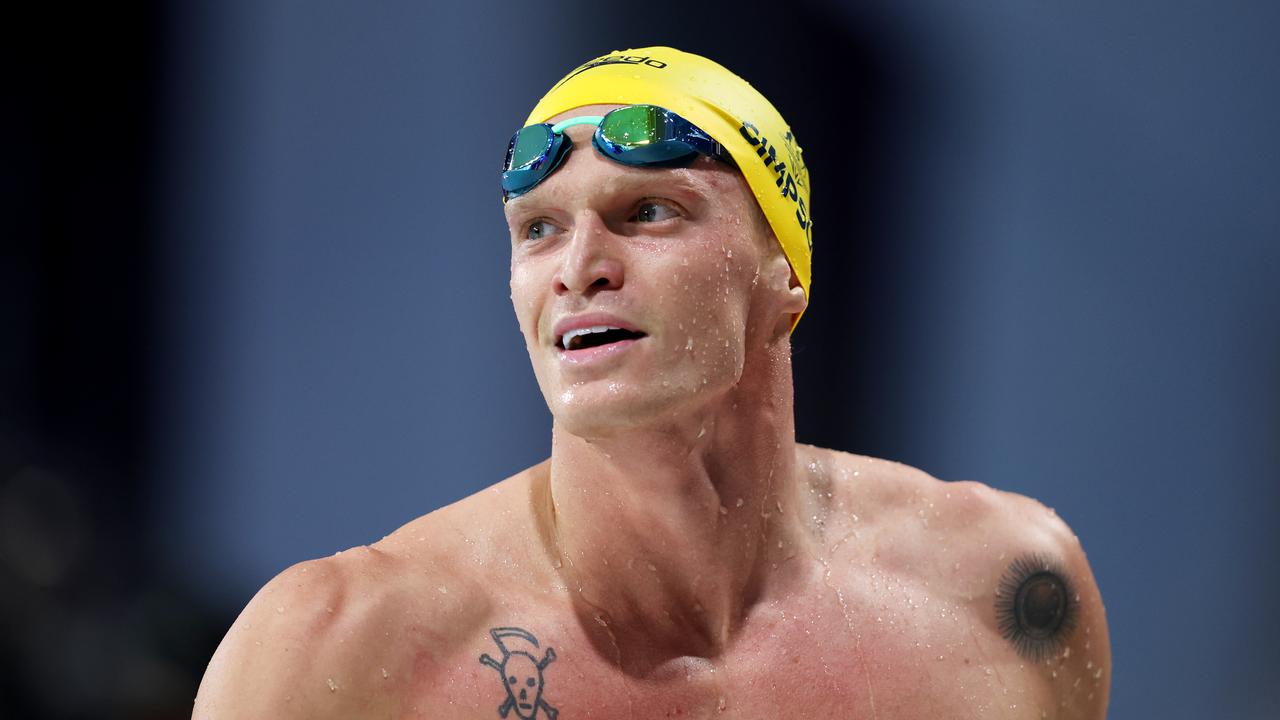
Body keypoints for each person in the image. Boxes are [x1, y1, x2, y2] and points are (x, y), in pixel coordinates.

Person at [193, 47, 1110, 719]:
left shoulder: (1004, 596)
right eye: (539, 229)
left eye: (649, 212)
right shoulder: (338, 654)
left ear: (782, 272)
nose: (578, 266)